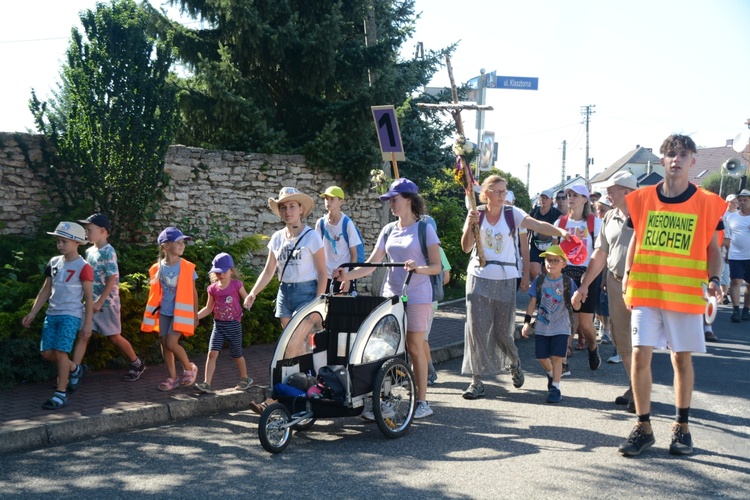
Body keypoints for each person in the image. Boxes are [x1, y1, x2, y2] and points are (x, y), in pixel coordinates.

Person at [618, 134, 726, 457]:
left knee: (681, 359)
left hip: (684, 295)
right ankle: (643, 426)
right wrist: (626, 273)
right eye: (669, 154)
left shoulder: (706, 202)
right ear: (662, 160)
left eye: (682, 154)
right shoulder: (643, 198)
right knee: (639, 355)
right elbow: (636, 238)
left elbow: (713, 249)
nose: (675, 159)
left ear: (693, 161)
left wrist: (715, 278)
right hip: (647, 289)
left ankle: (682, 428)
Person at [335, 178, 441, 419]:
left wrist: (418, 268)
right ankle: (385, 402)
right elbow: (372, 264)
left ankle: (422, 401)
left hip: (418, 296)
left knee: (414, 348)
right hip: (390, 297)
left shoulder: (425, 229)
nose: (391, 204)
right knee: (384, 350)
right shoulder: (388, 230)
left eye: (394, 199)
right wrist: (347, 274)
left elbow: (436, 266)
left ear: (409, 200)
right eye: (390, 200)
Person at [460, 175, 569, 400]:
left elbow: (537, 225)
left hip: (505, 277)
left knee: (502, 331)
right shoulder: (476, 213)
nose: (502, 196)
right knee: (476, 330)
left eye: (504, 191)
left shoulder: (512, 213)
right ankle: (476, 381)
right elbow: (465, 247)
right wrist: (471, 226)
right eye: (498, 192)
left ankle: (514, 360)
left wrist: (561, 232)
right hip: (478, 277)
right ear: (486, 194)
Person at [245, 187, 327, 414]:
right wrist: (253, 293)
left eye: (292, 206)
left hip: (306, 293)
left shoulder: (311, 236)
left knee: (290, 348)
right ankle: (304, 390)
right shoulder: (277, 238)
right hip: (284, 293)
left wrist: (318, 303)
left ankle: (275, 399)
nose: (287, 210)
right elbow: (269, 270)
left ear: (301, 210)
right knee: (297, 349)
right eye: (283, 207)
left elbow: (323, 272)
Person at [574, 171, 638, 413]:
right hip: (615, 282)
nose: (607, 194)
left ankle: (640, 392)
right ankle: (634, 387)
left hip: (642, 286)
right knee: (622, 340)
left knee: (641, 341)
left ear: (627, 192)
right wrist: (584, 284)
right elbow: (600, 254)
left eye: (612, 189)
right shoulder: (610, 216)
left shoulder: (646, 214)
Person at [22, 222, 93, 409]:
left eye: (64, 241)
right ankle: (76, 369)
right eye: (58, 241)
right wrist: (33, 312)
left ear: (77, 242)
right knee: (47, 353)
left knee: (62, 353)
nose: (60, 245)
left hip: (71, 315)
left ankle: (60, 394)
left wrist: (87, 324)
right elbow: (46, 289)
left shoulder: (83, 266)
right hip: (52, 314)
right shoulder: (54, 262)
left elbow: (88, 297)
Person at [72, 213, 146, 382]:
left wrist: (100, 301)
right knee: (83, 334)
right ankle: (72, 373)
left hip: (107, 304)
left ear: (103, 231)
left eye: (89, 230)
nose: (86, 233)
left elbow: (112, 278)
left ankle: (137, 363)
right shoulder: (90, 250)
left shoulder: (108, 251)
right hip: (90, 302)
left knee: (114, 336)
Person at [141, 227, 199, 391]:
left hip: (181, 313)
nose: (182, 245)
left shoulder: (187, 267)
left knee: (171, 343)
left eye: (183, 242)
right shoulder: (157, 268)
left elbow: (194, 292)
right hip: (164, 312)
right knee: (164, 345)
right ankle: (172, 378)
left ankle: (189, 368)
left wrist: (195, 315)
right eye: (178, 242)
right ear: (165, 247)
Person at [554, 184, 603, 374]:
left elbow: (601, 253)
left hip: (587, 273)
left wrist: (597, 279)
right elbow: (554, 250)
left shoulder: (595, 223)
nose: (571, 198)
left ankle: (593, 347)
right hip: (566, 271)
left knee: (584, 323)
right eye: (569, 195)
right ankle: (564, 360)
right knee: (566, 318)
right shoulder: (561, 223)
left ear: (585, 200)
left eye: (575, 195)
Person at [522, 245, 579, 403]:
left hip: (562, 325)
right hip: (542, 326)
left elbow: (576, 306)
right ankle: (551, 374)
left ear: (564, 264)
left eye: (555, 261)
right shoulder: (540, 281)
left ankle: (556, 387)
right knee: (541, 357)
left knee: (556, 356)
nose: (551, 264)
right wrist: (527, 322)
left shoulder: (568, 282)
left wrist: (578, 301)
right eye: (548, 260)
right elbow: (532, 302)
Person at [195, 252, 252, 393]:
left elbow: (247, 297)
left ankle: (245, 378)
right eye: (217, 272)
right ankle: (206, 383)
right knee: (212, 353)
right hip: (219, 325)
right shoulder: (212, 289)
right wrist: (195, 317)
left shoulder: (236, 285)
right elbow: (208, 308)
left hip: (234, 324)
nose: (221, 275)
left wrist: (248, 301)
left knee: (237, 354)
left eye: (224, 272)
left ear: (231, 271)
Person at [420, 215, 452, 386]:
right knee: (418, 337)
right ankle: (422, 371)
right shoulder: (437, 250)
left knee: (421, 338)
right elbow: (446, 278)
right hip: (424, 299)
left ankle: (430, 372)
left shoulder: (436, 250)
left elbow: (446, 276)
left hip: (428, 300)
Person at [316, 186, 363, 294]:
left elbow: (354, 254)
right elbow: (317, 251)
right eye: (326, 199)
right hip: (325, 275)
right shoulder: (321, 223)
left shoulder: (347, 223)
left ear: (341, 202)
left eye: (332, 199)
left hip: (343, 275)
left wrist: (348, 278)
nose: (328, 202)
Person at [724, 189, 750, 322]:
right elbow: (728, 237)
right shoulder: (731, 217)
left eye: (745, 200)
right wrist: (727, 253)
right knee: (735, 281)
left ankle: (746, 309)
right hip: (735, 255)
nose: (742, 203)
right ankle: (735, 311)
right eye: (740, 200)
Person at [527, 190, 562, 282]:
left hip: (550, 246)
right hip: (535, 245)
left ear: (551, 200)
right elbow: (526, 228)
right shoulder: (534, 212)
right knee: (533, 270)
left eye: (546, 198)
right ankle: (536, 288)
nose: (544, 200)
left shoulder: (556, 214)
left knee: (546, 271)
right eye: (542, 197)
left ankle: (544, 289)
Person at [593, 200, 613, 345]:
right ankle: (601, 323)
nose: (599, 214)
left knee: (605, 300)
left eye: (603, 210)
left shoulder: (614, 225)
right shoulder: (597, 225)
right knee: (598, 301)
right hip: (597, 266)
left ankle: (607, 330)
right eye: (597, 210)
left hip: (611, 268)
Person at [719, 194, 738, 304]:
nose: (734, 204)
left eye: (736, 202)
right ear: (727, 202)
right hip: (723, 245)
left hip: (736, 247)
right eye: (732, 202)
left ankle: (725, 293)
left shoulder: (737, 215)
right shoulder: (722, 215)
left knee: (728, 271)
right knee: (723, 270)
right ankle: (723, 294)